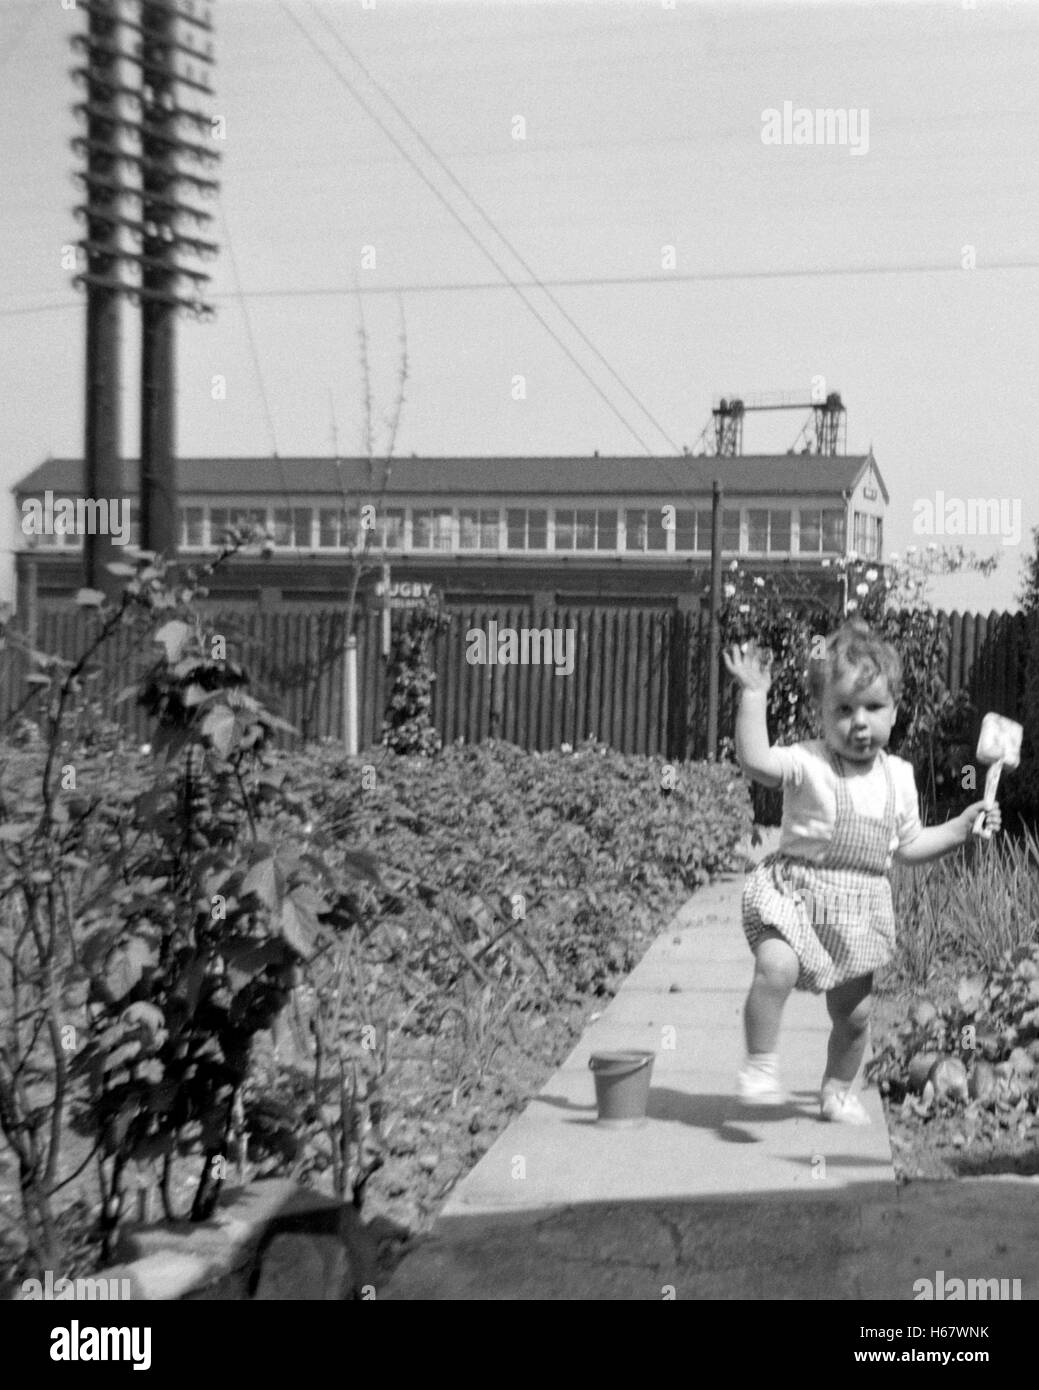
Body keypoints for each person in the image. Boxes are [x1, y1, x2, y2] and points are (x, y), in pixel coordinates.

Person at [722, 618, 1000, 1125]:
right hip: (796, 896)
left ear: (895, 710)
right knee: (777, 967)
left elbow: (910, 845)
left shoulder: (899, 777)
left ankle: (836, 1090)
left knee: (855, 1017)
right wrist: (754, 695)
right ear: (821, 714)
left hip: (857, 907)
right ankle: (760, 1064)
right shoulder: (809, 762)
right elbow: (757, 761)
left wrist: (959, 828)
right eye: (843, 709)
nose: (859, 722)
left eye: (873, 707)